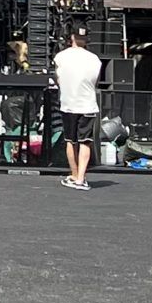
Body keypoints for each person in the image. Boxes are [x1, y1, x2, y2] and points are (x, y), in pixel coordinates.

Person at [52, 26, 101, 192]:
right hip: (87, 103)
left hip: (69, 103)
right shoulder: (95, 59)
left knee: (70, 141)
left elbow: (59, 78)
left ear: (71, 37)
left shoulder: (61, 57)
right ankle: (80, 178)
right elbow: (95, 81)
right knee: (85, 142)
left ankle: (74, 174)